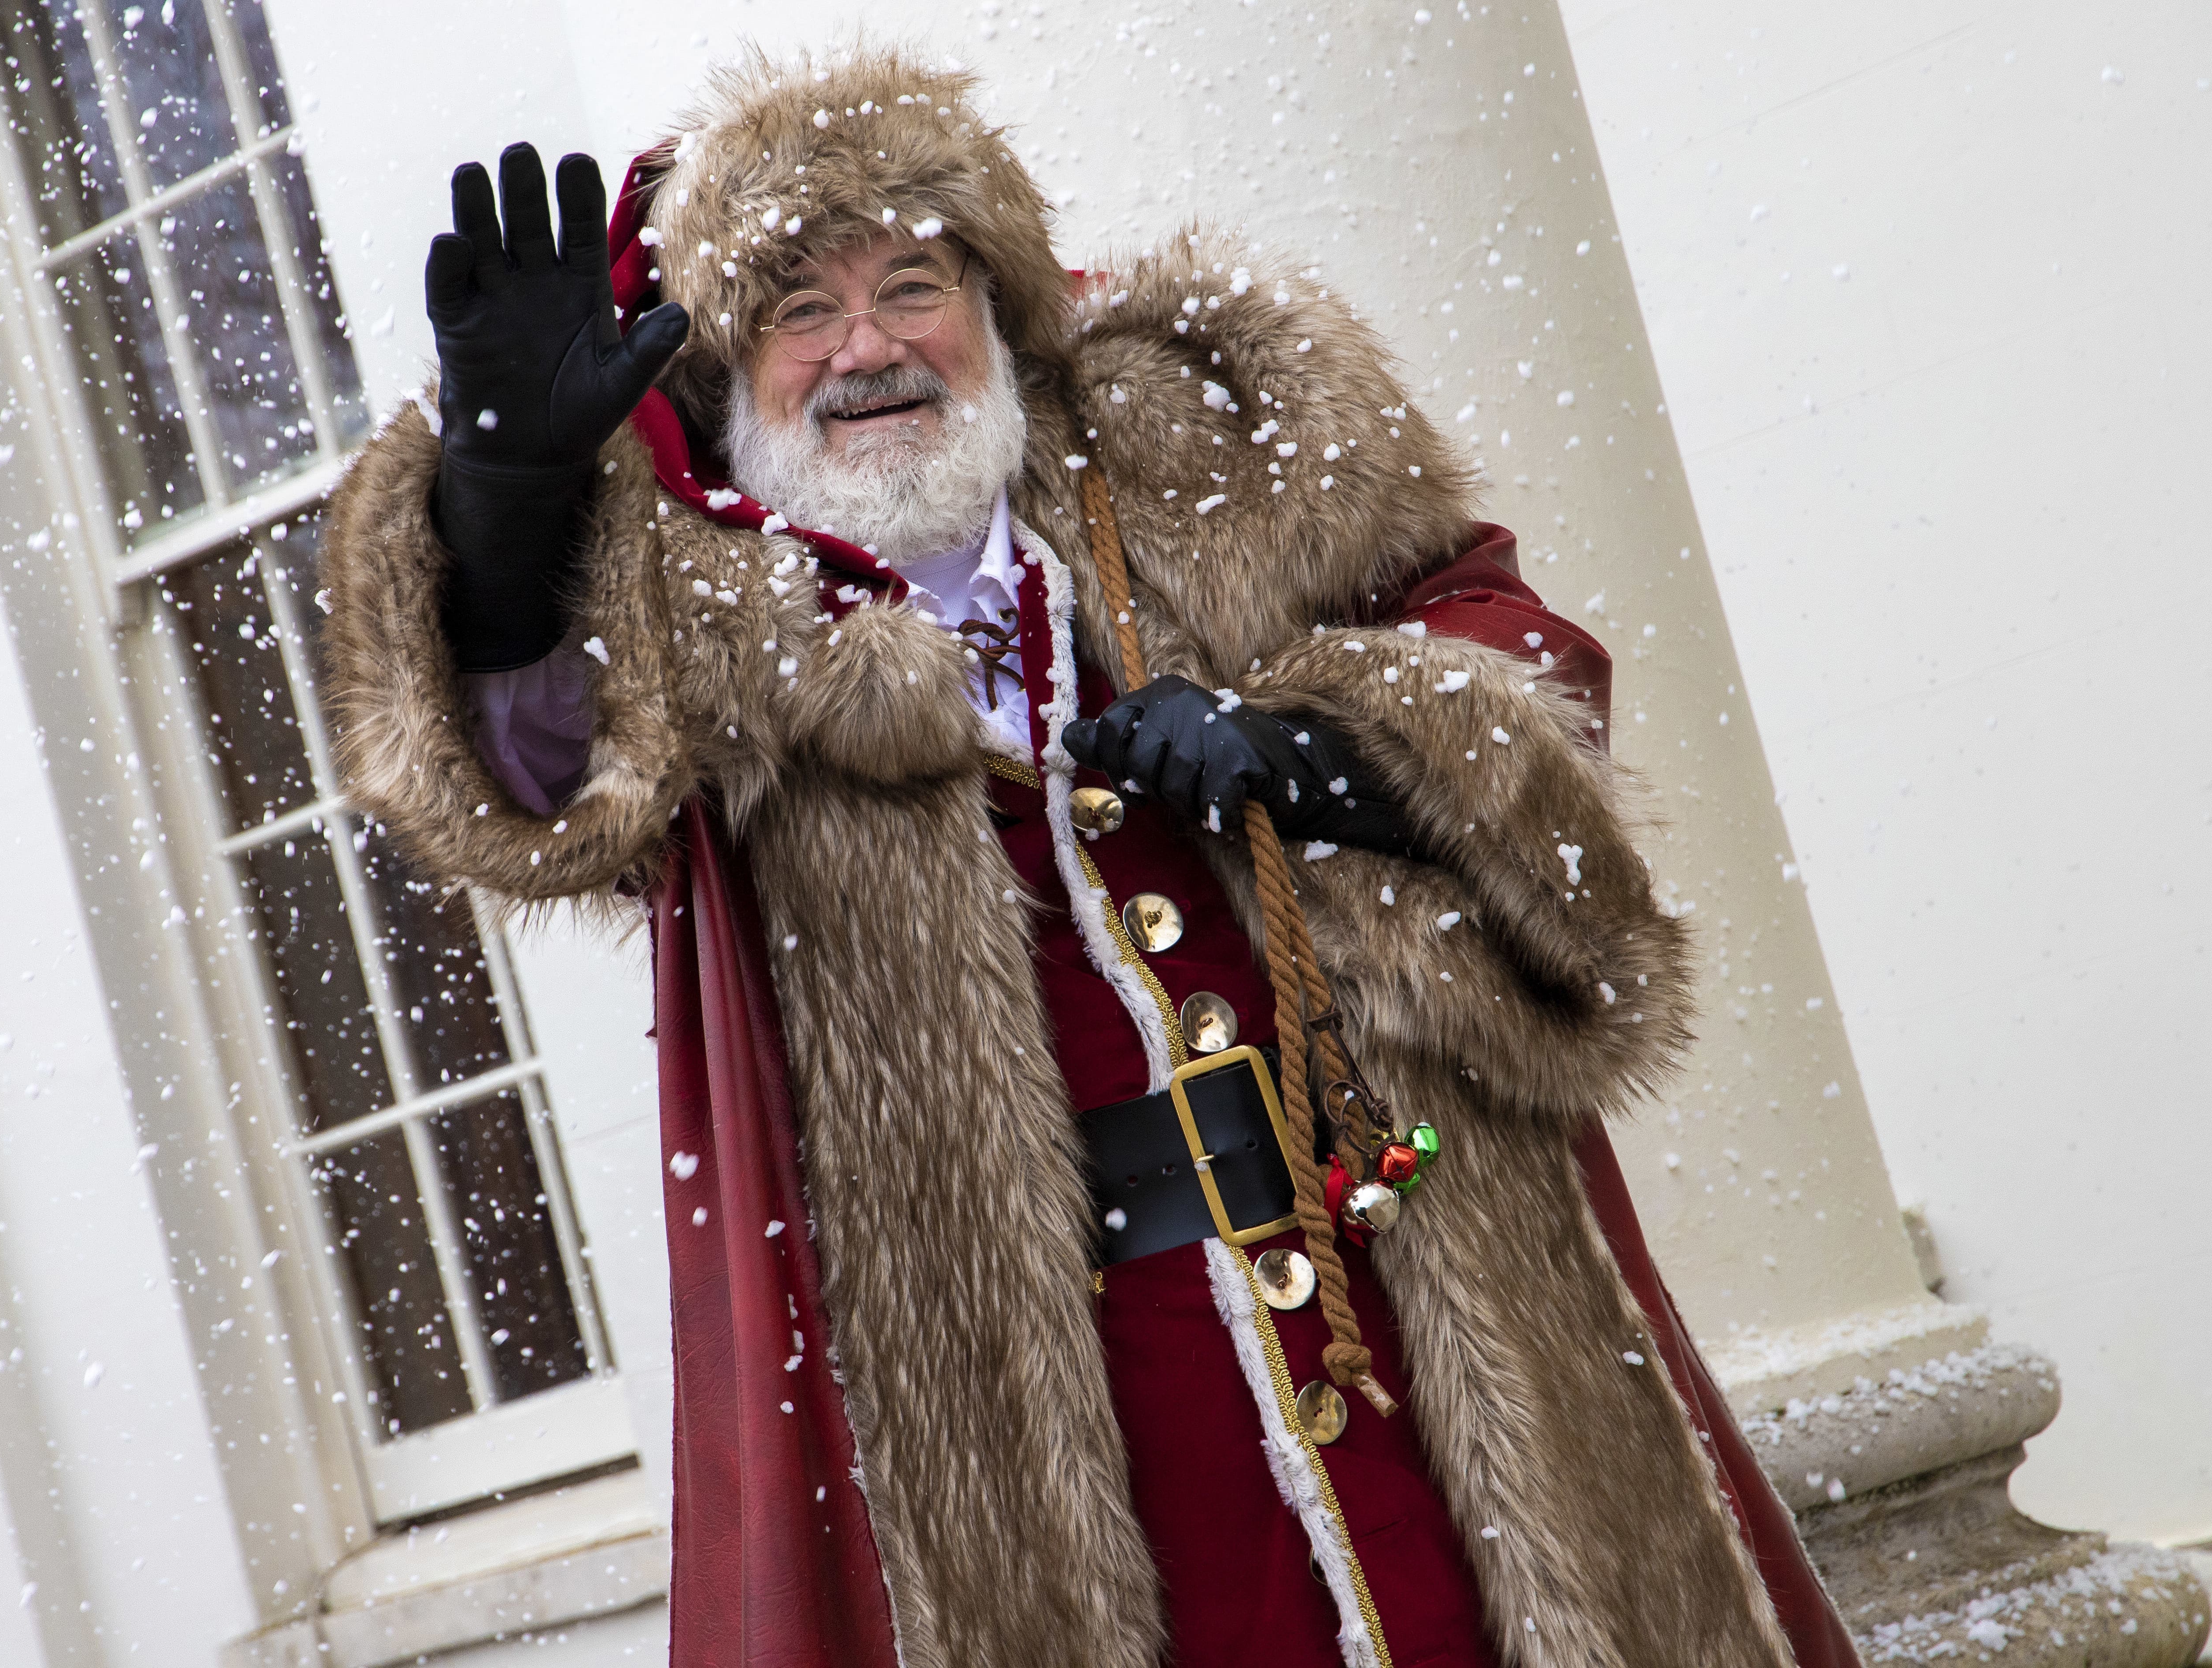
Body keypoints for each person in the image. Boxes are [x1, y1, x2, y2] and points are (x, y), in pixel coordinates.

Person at [319, 46, 1860, 1668]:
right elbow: (536, 779)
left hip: (1416, 1281)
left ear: (992, 300)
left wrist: (1323, 748)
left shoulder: (1200, 450)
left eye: (908, 284)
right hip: (1060, 1398)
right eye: (797, 312)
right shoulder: (698, 620)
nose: (866, 351)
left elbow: (1491, 626)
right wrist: (501, 514)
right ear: (735, 371)